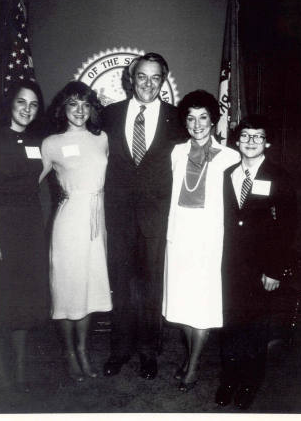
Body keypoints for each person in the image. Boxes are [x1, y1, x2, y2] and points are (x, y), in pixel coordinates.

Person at [102, 52, 186, 379]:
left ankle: (149, 353)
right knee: (121, 285)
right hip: (119, 216)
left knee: (151, 288)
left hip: (157, 218)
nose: (148, 84)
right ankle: (120, 351)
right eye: (142, 77)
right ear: (130, 78)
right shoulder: (108, 115)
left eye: (155, 78)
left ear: (163, 81)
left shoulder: (178, 118)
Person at [0, 79, 50, 392]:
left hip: (27, 232)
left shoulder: (35, 141)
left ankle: (20, 376)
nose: (27, 109)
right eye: (21, 102)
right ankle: (3, 382)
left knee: (22, 303)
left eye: (33, 104)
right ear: (10, 104)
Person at [215, 114, 297, 409]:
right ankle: (229, 379)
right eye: (246, 136)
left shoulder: (279, 176)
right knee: (229, 325)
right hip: (229, 267)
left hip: (261, 268)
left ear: (267, 142)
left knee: (255, 327)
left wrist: (274, 269)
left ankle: (250, 383)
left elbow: (288, 227)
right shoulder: (227, 174)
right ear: (237, 141)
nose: (251, 141)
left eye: (257, 137)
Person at [162, 90, 240, 391]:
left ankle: (193, 366)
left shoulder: (230, 156)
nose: (197, 124)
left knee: (203, 303)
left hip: (209, 239)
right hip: (180, 235)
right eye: (191, 118)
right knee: (182, 302)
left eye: (203, 117)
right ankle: (190, 356)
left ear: (213, 119)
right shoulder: (176, 152)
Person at [40, 81, 112, 382]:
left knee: (89, 292)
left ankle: (84, 351)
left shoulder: (102, 138)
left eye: (85, 104)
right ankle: (70, 353)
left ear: (92, 107)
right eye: (73, 104)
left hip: (97, 224)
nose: (79, 110)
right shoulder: (51, 143)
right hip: (69, 224)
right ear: (63, 108)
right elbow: (25, 182)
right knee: (67, 291)